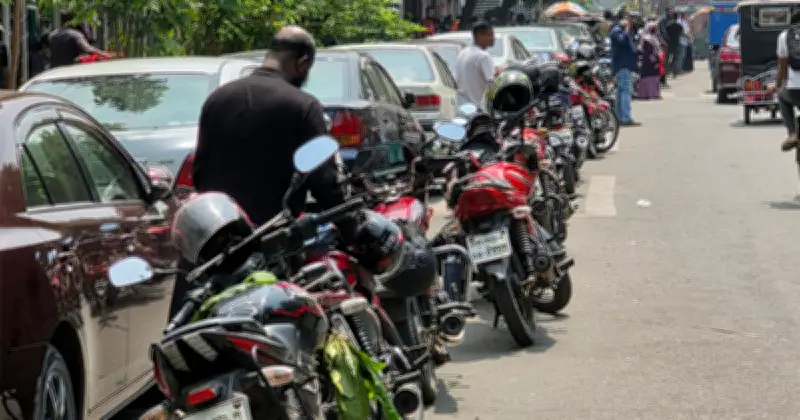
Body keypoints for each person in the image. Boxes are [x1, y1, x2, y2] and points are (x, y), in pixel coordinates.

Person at [768, 10, 800, 161]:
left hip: (793, 91)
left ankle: (792, 133)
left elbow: (782, 69)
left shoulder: (784, 36)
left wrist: (776, 85)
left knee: (782, 96)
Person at [454, 20, 495, 108]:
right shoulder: (483, 56)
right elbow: (492, 84)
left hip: (461, 107)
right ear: (480, 35)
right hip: (478, 108)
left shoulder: (462, 53)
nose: (493, 38)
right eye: (490, 35)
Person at [609, 14, 641, 126]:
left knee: (621, 91)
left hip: (624, 65)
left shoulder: (619, 31)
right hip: (622, 65)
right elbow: (622, 40)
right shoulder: (617, 31)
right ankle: (625, 117)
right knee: (626, 91)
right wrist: (626, 29)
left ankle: (619, 116)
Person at [637, 22, 662, 100]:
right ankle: (649, 94)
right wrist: (655, 59)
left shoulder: (650, 38)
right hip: (650, 60)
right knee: (650, 75)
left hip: (648, 60)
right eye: (653, 28)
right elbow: (648, 51)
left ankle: (651, 93)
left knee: (650, 75)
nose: (655, 30)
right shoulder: (647, 39)